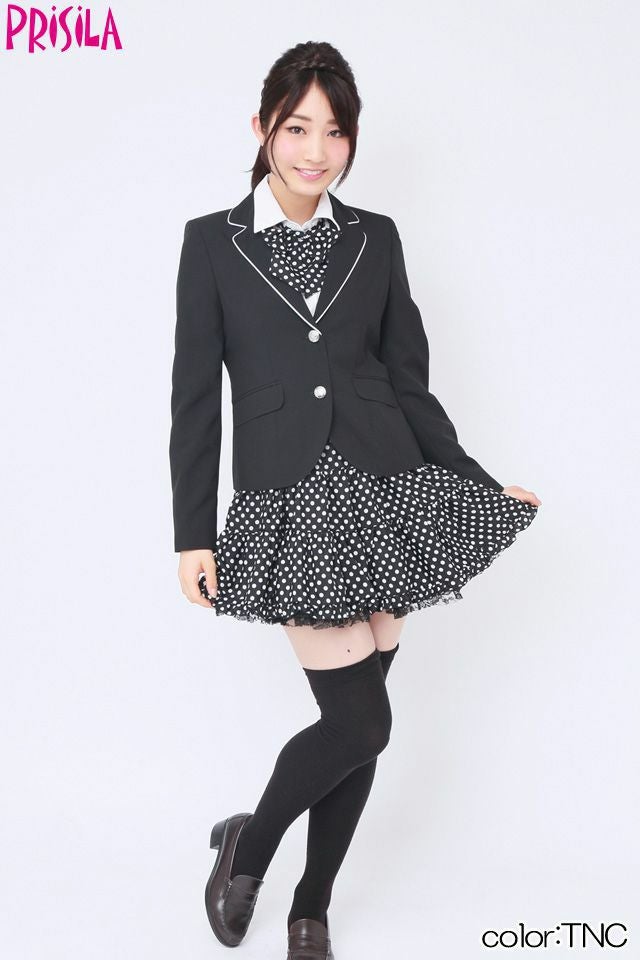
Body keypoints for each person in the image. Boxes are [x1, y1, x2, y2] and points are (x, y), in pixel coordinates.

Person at [169, 39, 541, 960]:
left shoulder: (377, 237)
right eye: (298, 127)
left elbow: (408, 380)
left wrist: (472, 480)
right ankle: (249, 846)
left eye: (335, 131)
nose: (316, 150)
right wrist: (191, 531)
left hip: (388, 492)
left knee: (359, 726)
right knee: (362, 722)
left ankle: (313, 906)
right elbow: (195, 397)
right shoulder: (212, 243)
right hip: (291, 504)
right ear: (262, 128)